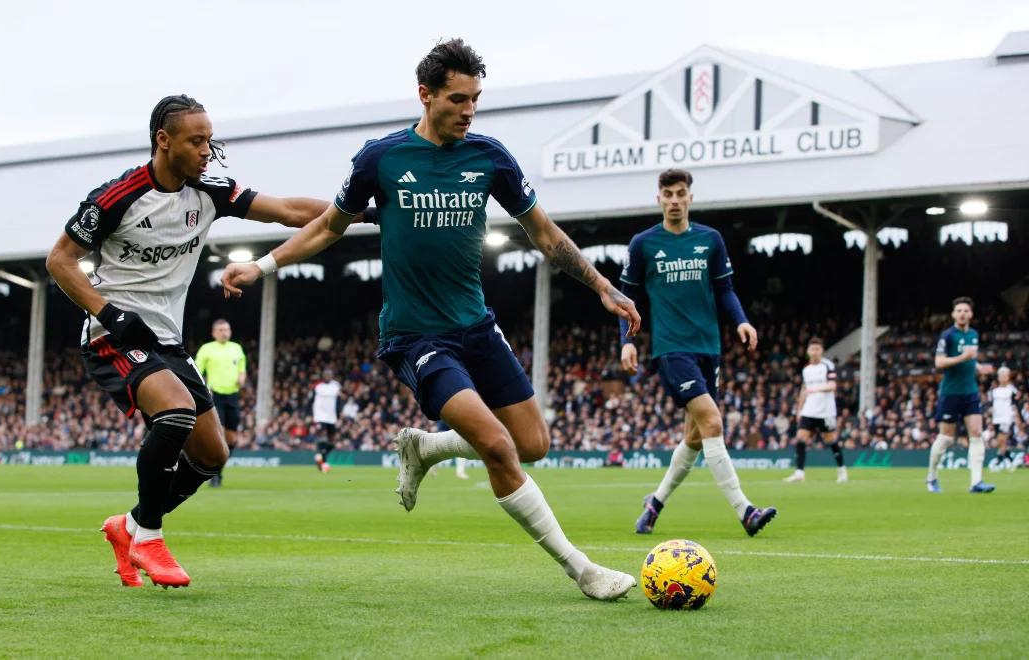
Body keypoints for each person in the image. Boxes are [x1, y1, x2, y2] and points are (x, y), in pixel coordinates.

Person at [223, 39, 642, 601]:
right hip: (416, 336)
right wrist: (264, 265)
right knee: (495, 444)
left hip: (477, 326)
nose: (469, 110)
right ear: (425, 95)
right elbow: (328, 226)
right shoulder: (381, 159)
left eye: (475, 99)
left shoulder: (490, 158)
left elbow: (544, 234)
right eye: (457, 98)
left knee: (532, 442)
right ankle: (582, 569)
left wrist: (602, 287)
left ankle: (428, 447)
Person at [45, 93, 329, 588]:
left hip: (169, 343)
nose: (206, 151)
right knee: (175, 412)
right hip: (115, 334)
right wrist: (107, 312)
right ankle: (149, 538)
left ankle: (128, 526)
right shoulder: (117, 197)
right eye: (196, 141)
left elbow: (286, 209)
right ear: (164, 140)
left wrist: (363, 212)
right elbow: (59, 261)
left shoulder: (211, 191)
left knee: (212, 455)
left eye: (209, 140)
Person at [620, 168, 777, 537]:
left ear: (690, 197)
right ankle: (746, 511)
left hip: (709, 347)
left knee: (694, 436)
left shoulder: (711, 240)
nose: (674, 200)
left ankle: (654, 503)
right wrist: (626, 341)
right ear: (658, 198)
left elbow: (725, 289)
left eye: (680, 193)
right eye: (668, 194)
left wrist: (741, 320)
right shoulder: (643, 243)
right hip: (671, 349)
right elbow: (626, 299)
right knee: (712, 422)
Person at [925, 297, 996, 493]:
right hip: (951, 392)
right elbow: (939, 362)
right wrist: (963, 357)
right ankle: (931, 477)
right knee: (946, 438)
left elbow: (971, 362)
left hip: (970, 392)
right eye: (959, 310)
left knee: (976, 434)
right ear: (953, 314)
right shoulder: (947, 336)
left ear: (971, 314)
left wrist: (979, 367)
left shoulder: (974, 334)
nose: (963, 313)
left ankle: (976, 482)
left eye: (966, 310)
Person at [784, 337, 847, 483]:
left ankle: (841, 469)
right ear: (808, 351)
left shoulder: (828, 366)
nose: (815, 352)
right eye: (812, 349)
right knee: (800, 438)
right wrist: (799, 410)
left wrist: (815, 389)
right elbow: (804, 389)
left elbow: (832, 386)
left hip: (826, 411)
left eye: (817, 349)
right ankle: (799, 473)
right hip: (809, 410)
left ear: (822, 351)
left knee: (830, 440)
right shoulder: (806, 370)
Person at [194, 319, 246, 487]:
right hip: (214, 395)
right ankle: (214, 473)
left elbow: (242, 368)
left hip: (233, 396)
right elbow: (196, 371)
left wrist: (242, 377)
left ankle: (218, 469)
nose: (224, 332)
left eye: (227, 329)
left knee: (232, 439)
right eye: (221, 329)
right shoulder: (206, 349)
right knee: (219, 435)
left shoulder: (236, 348)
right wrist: (203, 389)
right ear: (214, 332)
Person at [311, 368, 341, 472]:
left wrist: (338, 416)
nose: (328, 376)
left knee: (332, 443)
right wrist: (309, 414)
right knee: (322, 438)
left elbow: (338, 401)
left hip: (331, 418)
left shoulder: (335, 386)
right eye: (326, 375)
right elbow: (311, 401)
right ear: (323, 376)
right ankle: (323, 462)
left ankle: (321, 456)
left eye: (330, 375)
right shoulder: (318, 387)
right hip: (320, 417)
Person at [989, 367, 1019, 471]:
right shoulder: (994, 391)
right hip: (996, 418)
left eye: (1005, 376)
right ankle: (1011, 461)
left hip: (1006, 418)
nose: (1002, 378)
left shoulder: (1012, 390)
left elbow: (1015, 404)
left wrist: (1016, 417)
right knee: (1000, 442)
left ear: (1008, 377)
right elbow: (991, 405)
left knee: (1002, 440)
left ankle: (997, 463)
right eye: (1001, 376)